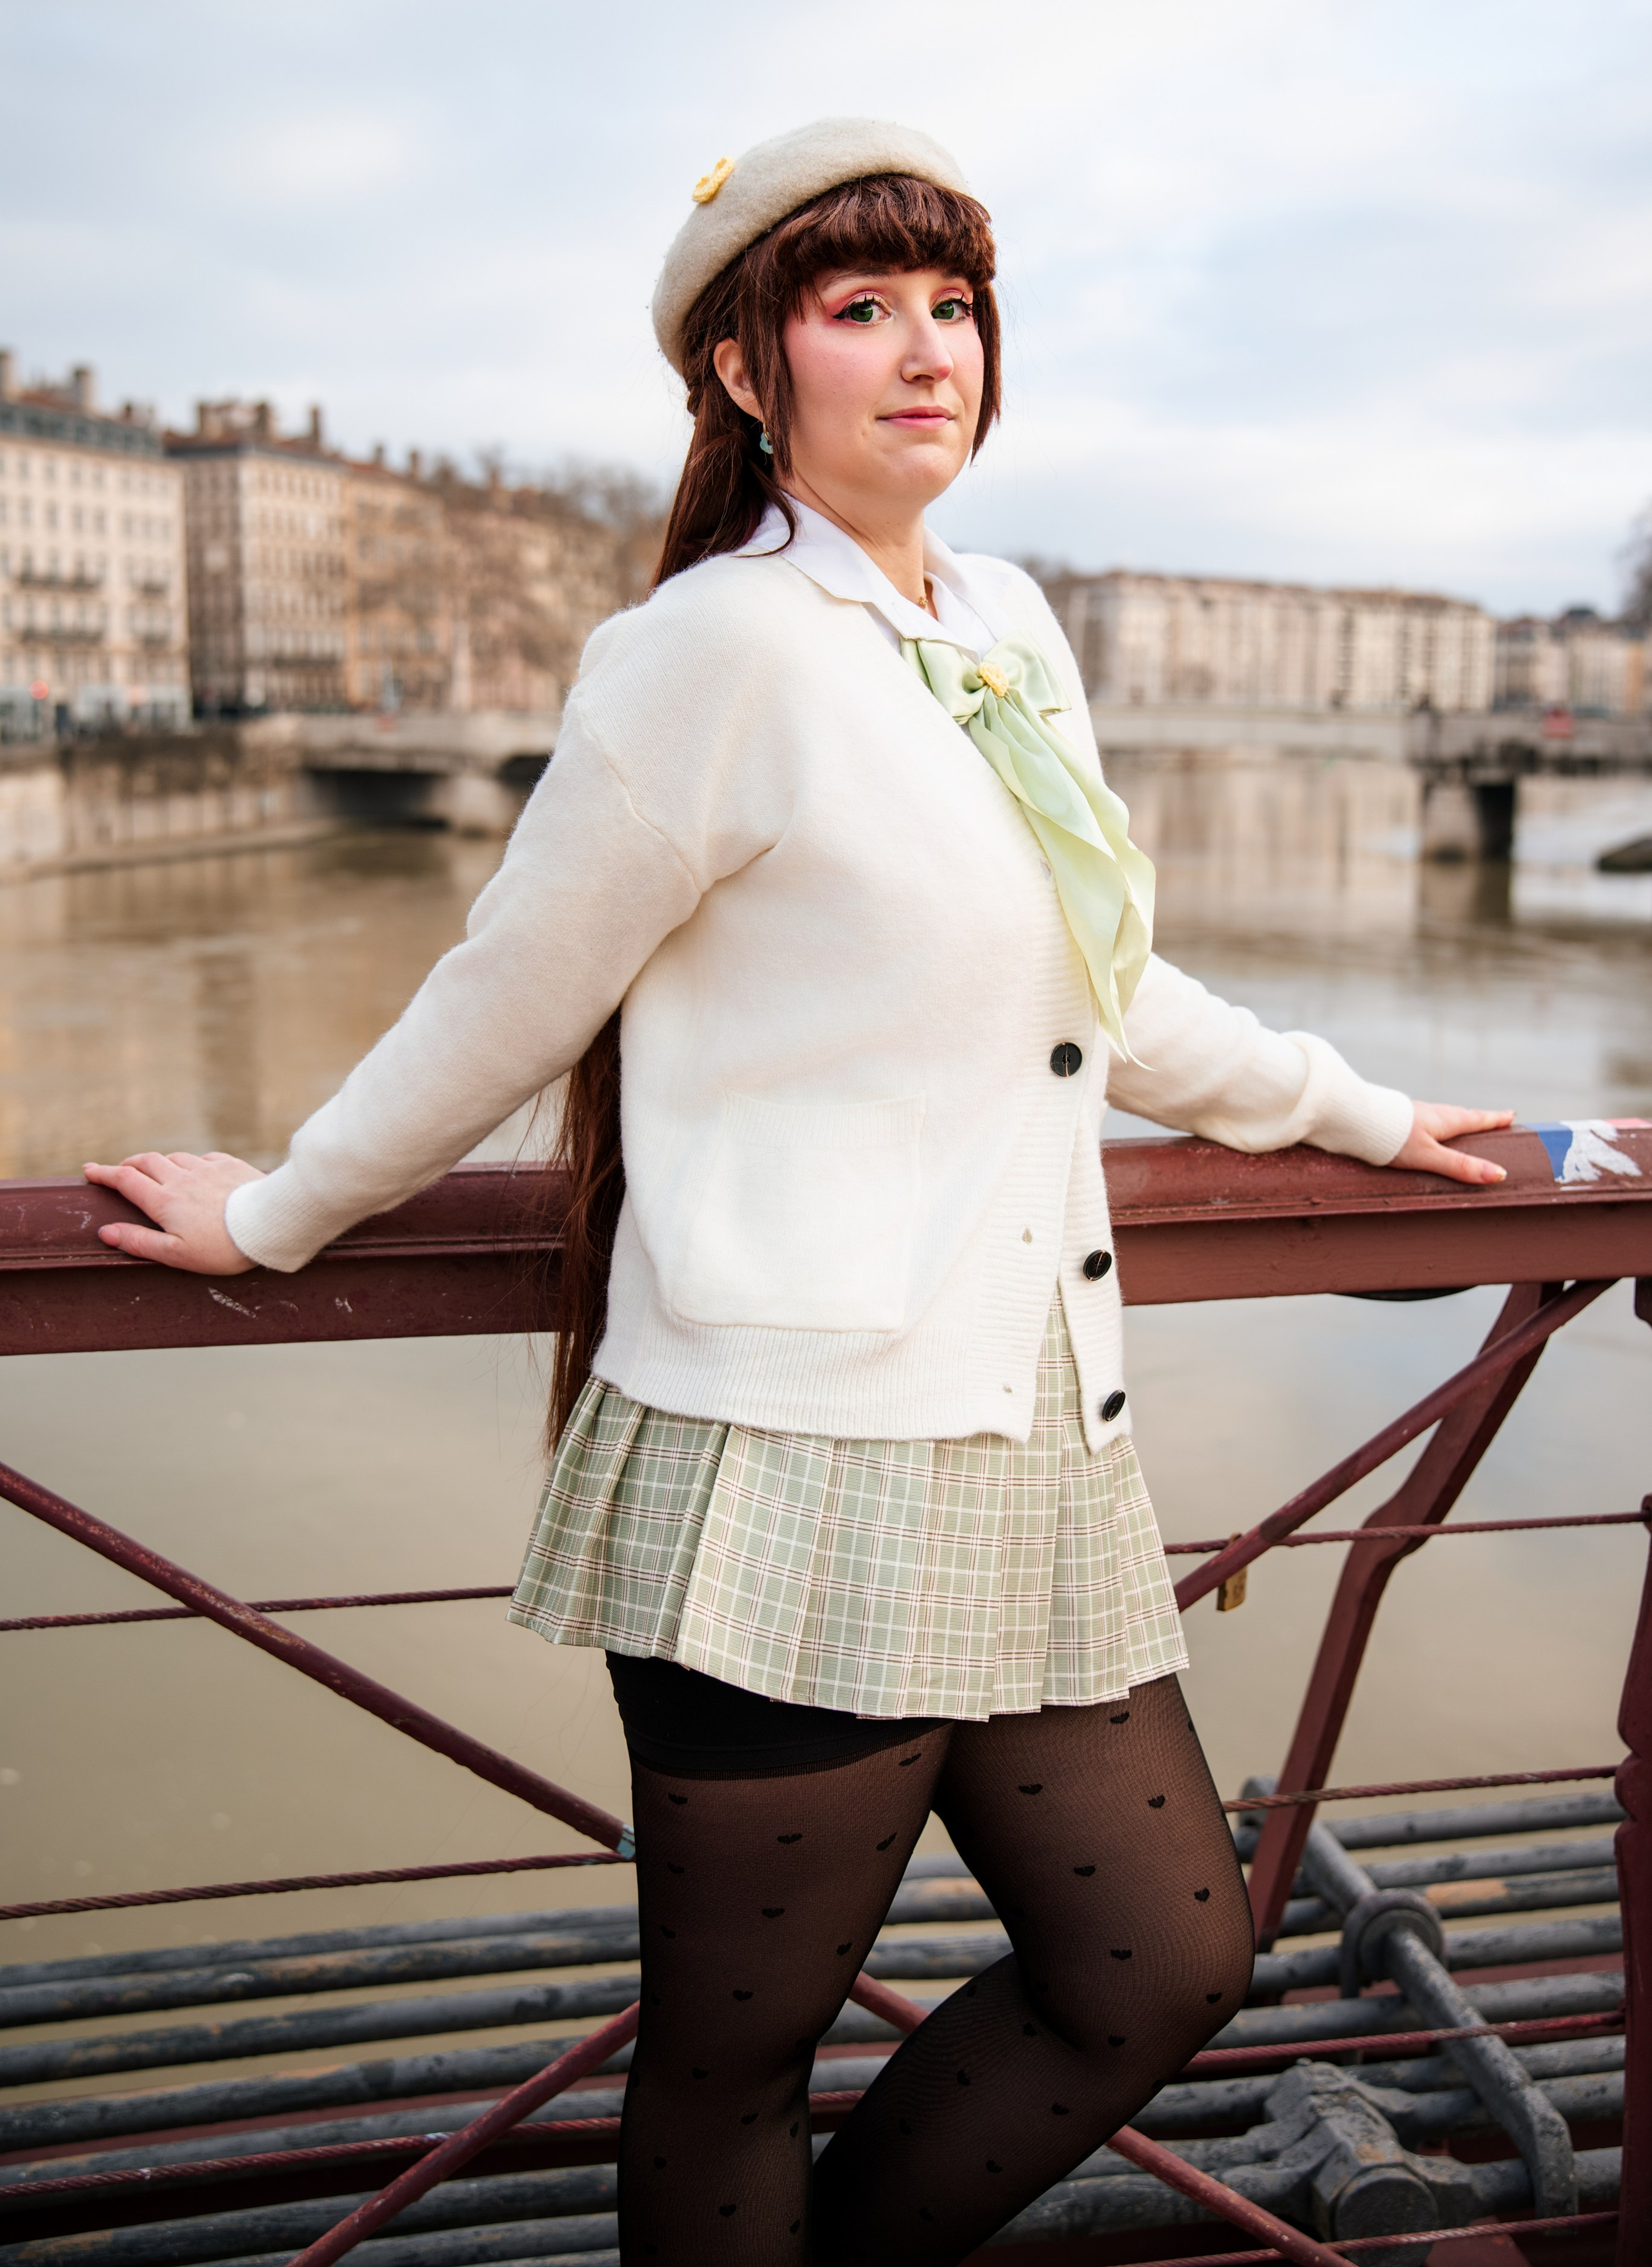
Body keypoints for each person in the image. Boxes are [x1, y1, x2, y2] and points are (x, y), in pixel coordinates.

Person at [84, 119, 1511, 2267]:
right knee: (732, 2054)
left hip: (1037, 1431)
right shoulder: (711, 654)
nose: (928, 352)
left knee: (1163, 1963)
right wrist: (277, 1213)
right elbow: (506, 994)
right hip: (795, 1446)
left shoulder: (1006, 622)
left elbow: (1097, 980)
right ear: (751, 376)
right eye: (863, 310)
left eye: (955, 307)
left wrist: (1358, 1112)